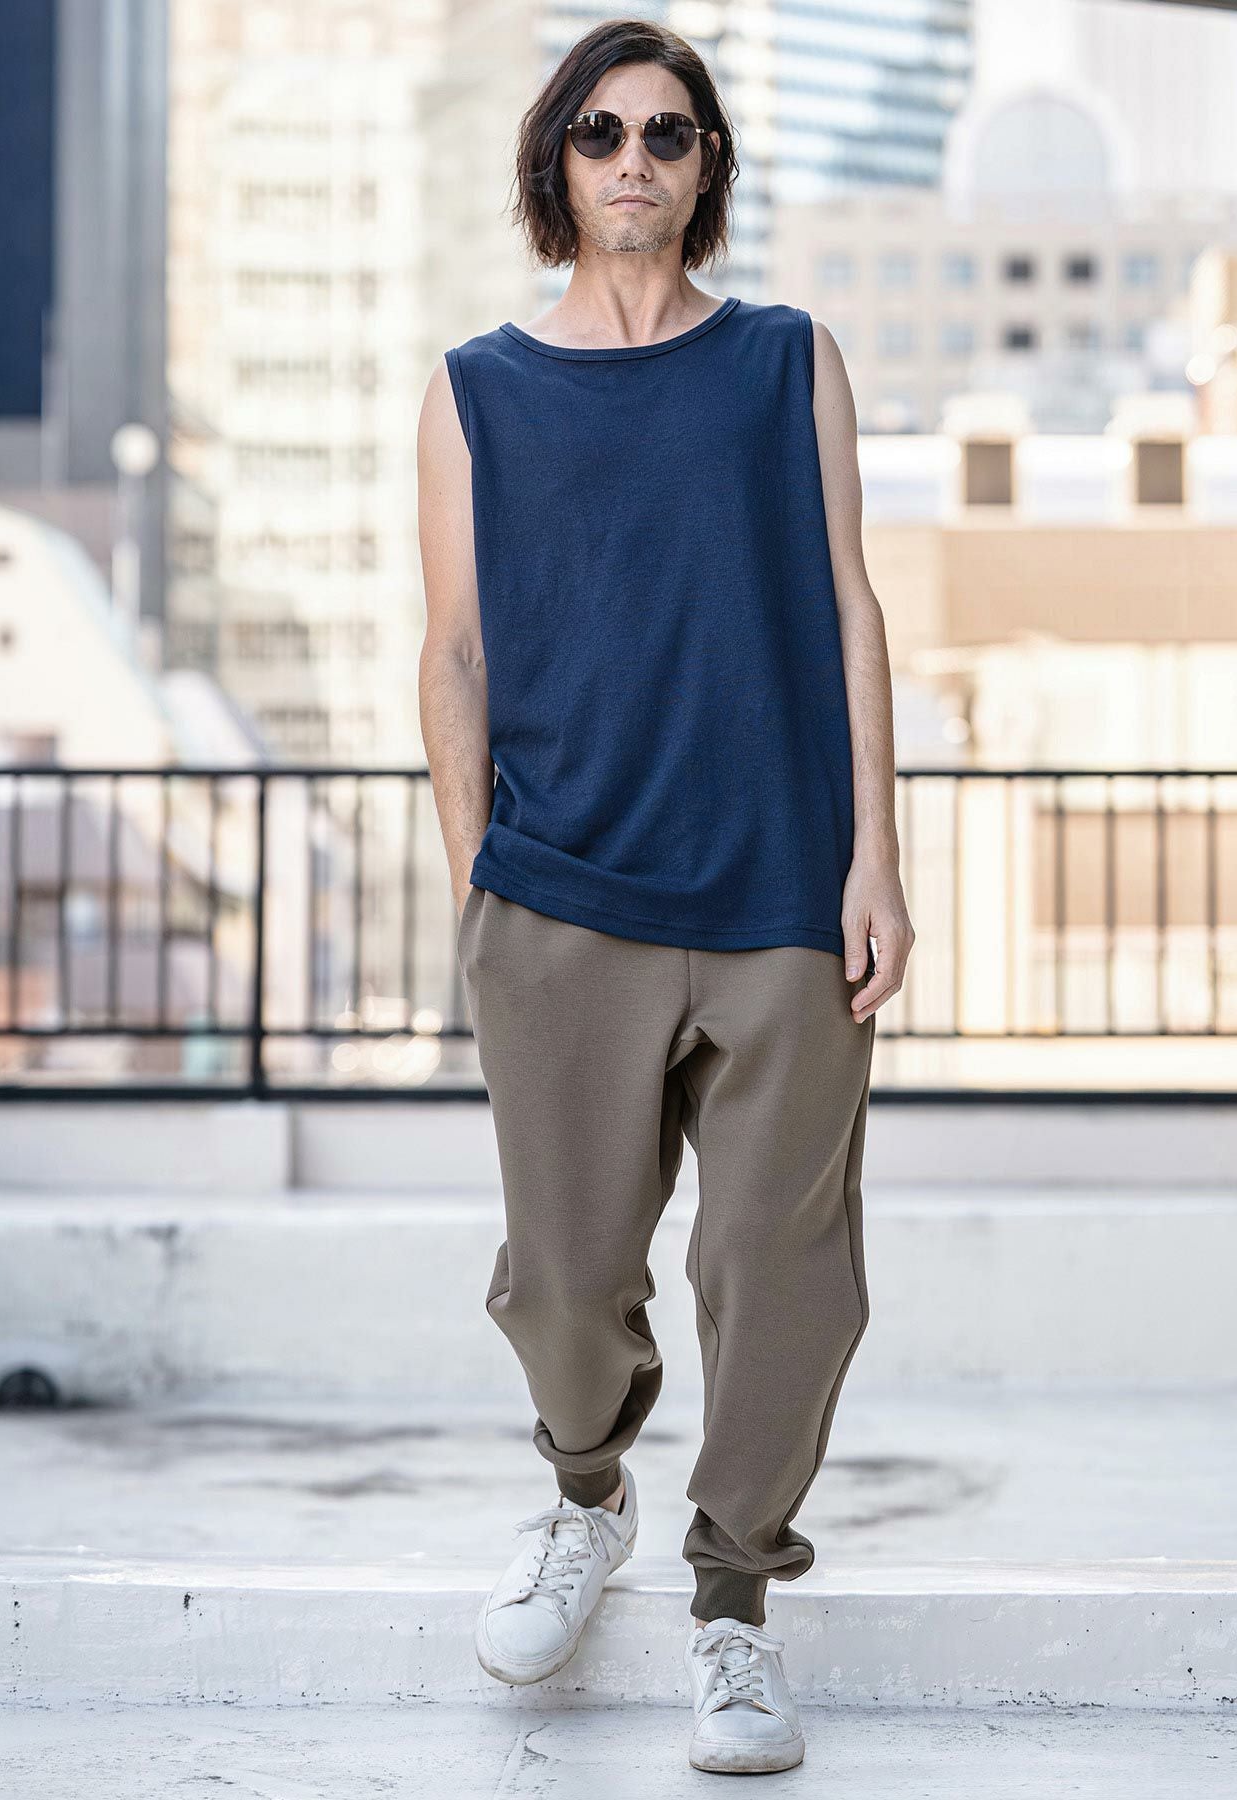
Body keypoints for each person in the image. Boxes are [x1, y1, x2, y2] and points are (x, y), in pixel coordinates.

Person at [416, 15, 913, 1777]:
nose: (636, 159)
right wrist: (480, 891)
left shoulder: (787, 360)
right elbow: (455, 655)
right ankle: (584, 1493)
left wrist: (877, 857)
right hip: (562, 903)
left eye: (670, 134)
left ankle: (733, 1607)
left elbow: (850, 609)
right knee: (563, 1279)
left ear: (707, 171)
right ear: (556, 163)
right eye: (604, 131)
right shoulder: (478, 389)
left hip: (782, 898)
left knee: (786, 1279)